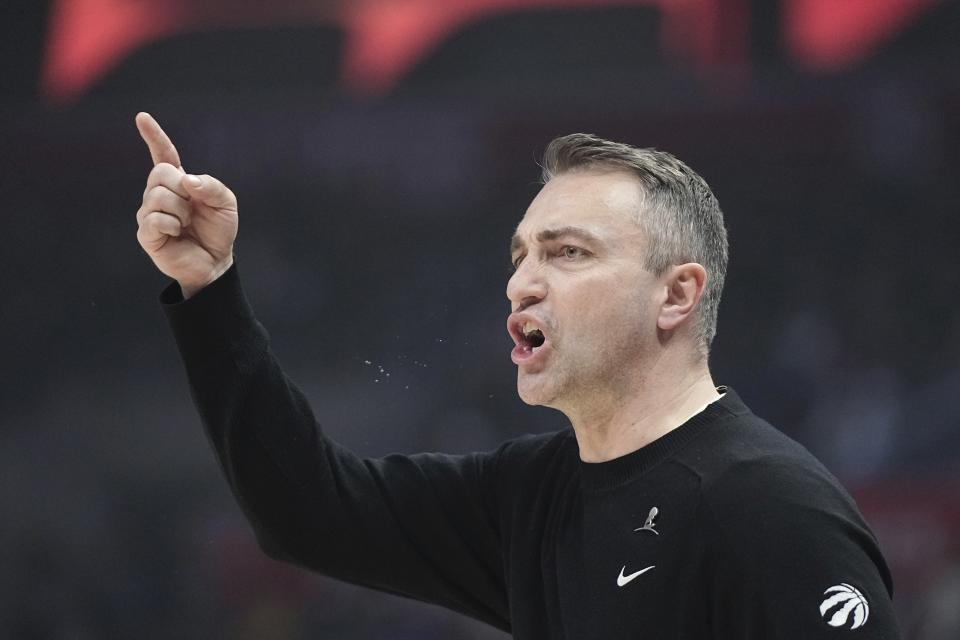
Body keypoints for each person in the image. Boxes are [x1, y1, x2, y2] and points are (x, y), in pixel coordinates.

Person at [134, 111, 901, 638]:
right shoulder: (530, 495)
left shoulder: (772, 510)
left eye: (568, 253)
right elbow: (306, 510)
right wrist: (210, 292)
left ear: (676, 294)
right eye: (520, 255)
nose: (522, 283)